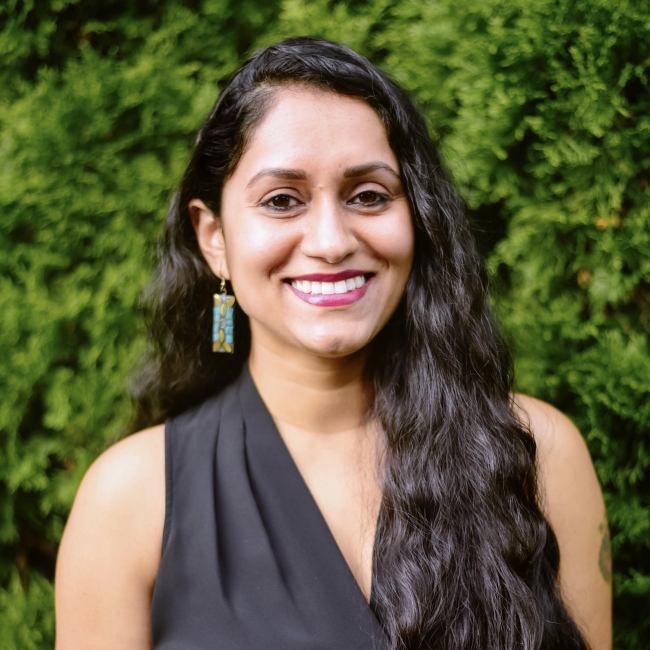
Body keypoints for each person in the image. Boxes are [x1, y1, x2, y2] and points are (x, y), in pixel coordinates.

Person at [54, 37, 611, 649]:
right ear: (213, 237)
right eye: (282, 200)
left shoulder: (538, 455)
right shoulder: (129, 500)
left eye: (368, 195)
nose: (330, 239)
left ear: (417, 217)